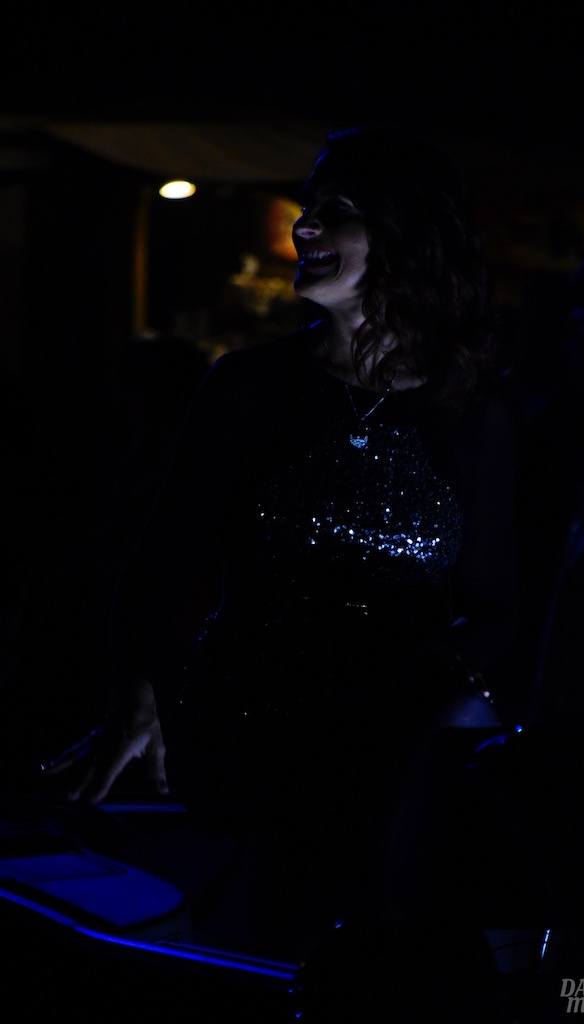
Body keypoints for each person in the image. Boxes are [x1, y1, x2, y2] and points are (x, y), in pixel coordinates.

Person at [46, 125, 517, 964]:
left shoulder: (472, 411)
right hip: (251, 742)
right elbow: (168, 560)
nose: (305, 227)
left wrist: (454, 719)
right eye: (308, 207)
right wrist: (143, 695)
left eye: (335, 210)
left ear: (403, 233)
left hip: (395, 766)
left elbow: (496, 600)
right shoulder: (249, 387)